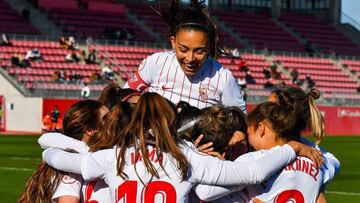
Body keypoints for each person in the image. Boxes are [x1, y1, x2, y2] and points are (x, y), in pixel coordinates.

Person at [42, 92, 322, 202]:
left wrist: (82, 149)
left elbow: (47, 147)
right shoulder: (186, 158)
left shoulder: (112, 157)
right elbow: (251, 173)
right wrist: (292, 148)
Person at [124, 0, 246, 112]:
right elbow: (124, 96)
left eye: (199, 51)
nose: (190, 58)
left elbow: (240, 121)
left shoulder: (223, 78)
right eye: (183, 49)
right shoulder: (155, 63)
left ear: (209, 47)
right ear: (173, 42)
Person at [19, 100, 109, 203]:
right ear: (90, 130)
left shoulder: (74, 153)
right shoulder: (71, 167)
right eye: (107, 119)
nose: (113, 121)